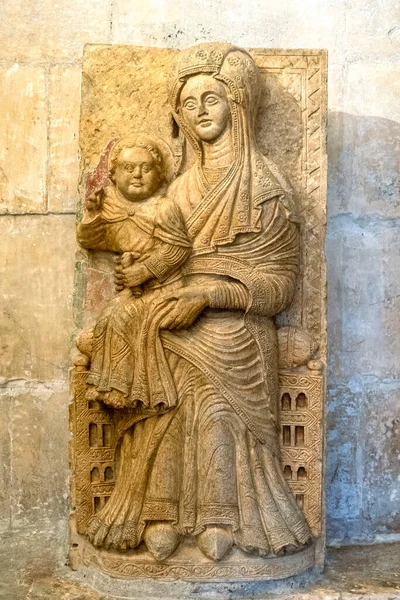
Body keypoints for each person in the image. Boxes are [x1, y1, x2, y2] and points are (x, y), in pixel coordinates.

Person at [87, 43, 312, 562]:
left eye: (211, 98)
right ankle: (157, 509)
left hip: (237, 324)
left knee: (208, 386)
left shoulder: (269, 190)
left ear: (236, 102)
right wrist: (140, 272)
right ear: (179, 117)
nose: (201, 111)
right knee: (151, 352)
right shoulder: (179, 190)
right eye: (188, 104)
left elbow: (281, 287)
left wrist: (210, 295)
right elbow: (163, 256)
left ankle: (222, 513)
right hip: (175, 312)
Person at [77, 135, 191, 410]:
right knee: (108, 318)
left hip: (166, 287)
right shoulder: (112, 209)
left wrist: (144, 270)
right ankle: (108, 384)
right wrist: (93, 214)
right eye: (129, 169)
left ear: (160, 175)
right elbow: (93, 241)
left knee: (123, 317)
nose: (137, 175)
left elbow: (179, 250)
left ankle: (127, 389)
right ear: (113, 176)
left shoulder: (164, 209)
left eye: (146, 168)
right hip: (134, 288)